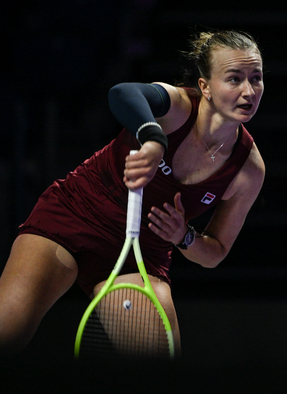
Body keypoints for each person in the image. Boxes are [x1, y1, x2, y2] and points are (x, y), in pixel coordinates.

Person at [0, 29, 265, 356]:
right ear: (205, 87)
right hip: (75, 213)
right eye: (234, 78)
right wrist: (154, 138)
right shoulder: (177, 107)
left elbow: (216, 252)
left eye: (256, 78)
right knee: (6, 336)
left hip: (139, 252)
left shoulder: (248, 169)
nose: (249, 90)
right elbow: (123, 93)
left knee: (156, 368)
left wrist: (184, 236)